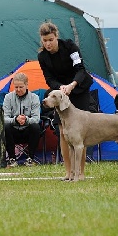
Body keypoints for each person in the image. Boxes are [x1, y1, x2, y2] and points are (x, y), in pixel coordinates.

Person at [38, 22, 93, 181]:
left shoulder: (70, 46)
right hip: (60, 93)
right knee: (62, 131)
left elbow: (81, 69)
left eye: (50, 39)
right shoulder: (42, 57)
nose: (48, 44)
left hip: (78, 89)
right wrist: (60, 88)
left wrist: (72, 85)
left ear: (56, 36)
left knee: (79, 134)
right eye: (44, 40)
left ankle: (80, 173)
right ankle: (69, 173)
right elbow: (49, 79)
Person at [3, 73, 41, 167]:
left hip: (28, 132)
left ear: (27, 85)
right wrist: (15, 119)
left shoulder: (34, 98)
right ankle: (12, 159)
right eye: (16, 87)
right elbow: (4, 118)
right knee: (5, 126)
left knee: (35, 126)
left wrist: (26, 119)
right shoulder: (8, 97)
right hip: (13, 132)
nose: (18, 90)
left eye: (21, 87)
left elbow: (36, 119)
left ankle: (30, 159)